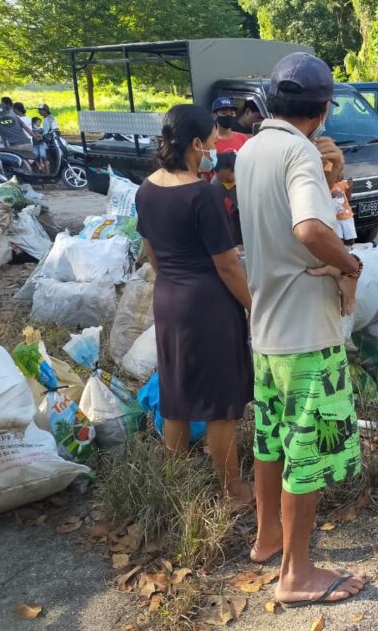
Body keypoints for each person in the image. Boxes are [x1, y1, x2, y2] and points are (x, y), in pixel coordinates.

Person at [235, 52, 367, 608]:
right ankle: (298, 573)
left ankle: (267, 539)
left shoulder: (252, 150)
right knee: (306, 451)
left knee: (271, 441)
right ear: (325, 107)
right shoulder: (298, 151)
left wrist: (329, 174)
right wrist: (350, 266)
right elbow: (311, 227)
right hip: (306, 332)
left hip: (266, 328)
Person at [134, 104, 254, 508]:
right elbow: (227, 264)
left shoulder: (145, 189)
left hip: (167, 298)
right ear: (197, 143)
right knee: (220, 401)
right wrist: (254, 306)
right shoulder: (203, 194)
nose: (219, 143)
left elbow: (150, 252)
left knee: (177, 392)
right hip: (207, 305)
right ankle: (233, 490)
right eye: (214, 137)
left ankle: (175, 481)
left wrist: (175, 276)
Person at [211, 152, 242, 247]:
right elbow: (214, 208)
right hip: (239, 210)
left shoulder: (249, 175)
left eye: (228, 180)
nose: (225, 183)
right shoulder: (217, 182)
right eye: (222, 181)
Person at [331, 176, 357, 246]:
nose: (342, 176)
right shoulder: (327, 185)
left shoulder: (342, 184)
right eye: (339, 174)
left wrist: (350, 187)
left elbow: (348, 198)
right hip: (335, 218)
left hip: (347, 216)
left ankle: (350, 251)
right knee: (338, 240)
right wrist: (332, 195)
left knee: (350, 239)